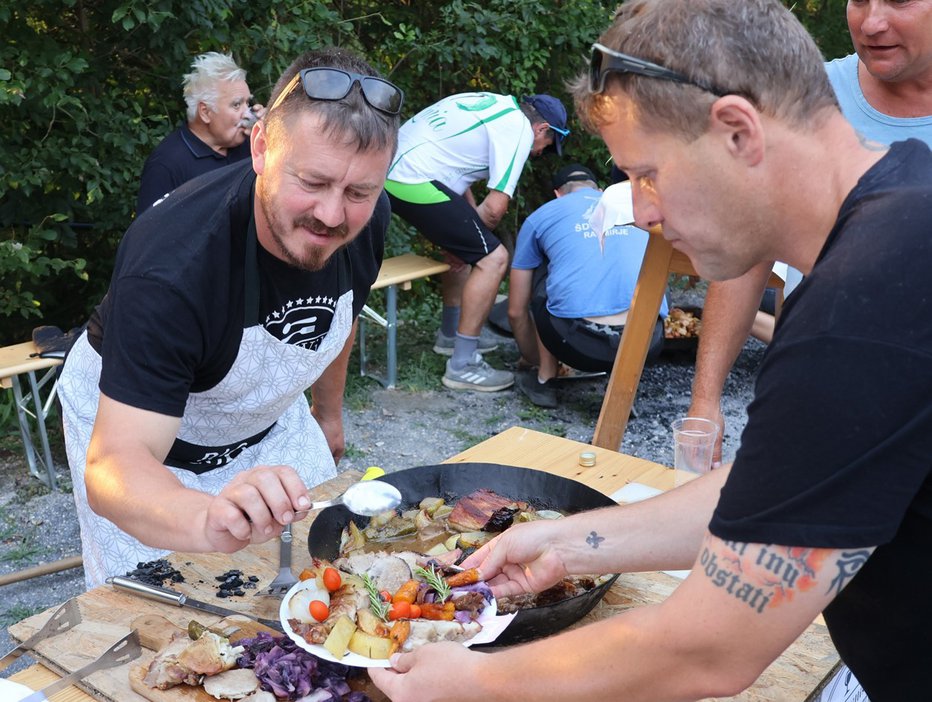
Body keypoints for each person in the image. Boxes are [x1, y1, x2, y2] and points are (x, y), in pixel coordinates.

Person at [369, 1, 932, 699]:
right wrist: (563, 544)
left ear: (737, 130)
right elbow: (784, 488)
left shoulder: (866, 303)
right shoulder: (907, 201)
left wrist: (477, 682)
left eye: (649, 174)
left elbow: (708, 650)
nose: (640, 213)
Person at [58, 48, 403, 589]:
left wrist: (327, 413)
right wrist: (206, 516)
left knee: (330, 577)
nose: (332, 215)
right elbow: (114, 466)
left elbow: (341, 316)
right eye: (311, 182)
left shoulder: (369, 217)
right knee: (170, 622)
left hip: (271, 423)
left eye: (358, 191)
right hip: (147, 446)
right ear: (261, 145)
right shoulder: (172, 265)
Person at [689, 0, 932, 464]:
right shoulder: (803, 98)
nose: (872, 22)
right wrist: (706, 399)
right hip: (815, 408)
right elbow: (748, 256)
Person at [385, 91, 570, 392]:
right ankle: (462, 365)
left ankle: (450, 335)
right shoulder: (519, 130)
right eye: (547, 146)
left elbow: (461, 178)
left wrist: (468, 237)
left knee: (476, 250)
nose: (539, 153)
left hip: (398, 168)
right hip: (411, 177)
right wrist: (472, 240)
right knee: (493, 258)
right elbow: (496, 208)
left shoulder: (490, 103)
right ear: (542, 129)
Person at [509, 163, 667, 408]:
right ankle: (623, 385)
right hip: (647, 343)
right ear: (600, 189)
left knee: (542, 267)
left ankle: (545, 377)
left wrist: (530, 357)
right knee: (645, 267)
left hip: (576, 346)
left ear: (558, 194)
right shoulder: (633, 207)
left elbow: (515, 310)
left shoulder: (543, 214)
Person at [136, 51, 266, 213]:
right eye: (236, 105)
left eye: (248, 103)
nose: (247, 113)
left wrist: (271, 132)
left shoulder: (252, 143)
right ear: (205, 112)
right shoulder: (167, 165)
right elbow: (150, 233)